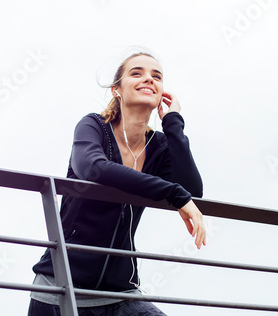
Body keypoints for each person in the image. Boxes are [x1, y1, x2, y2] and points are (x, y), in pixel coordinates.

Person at [28, 52, 206, 315]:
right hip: (59, 287)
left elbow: (193, 191)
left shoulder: (158, 146)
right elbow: (94, 169)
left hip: (120, 293)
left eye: (156, 76)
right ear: (116, 90)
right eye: (137, 73)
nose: (149, 78)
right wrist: (174, 194)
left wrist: (172, 123)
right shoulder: (94, 126)